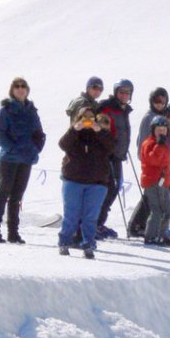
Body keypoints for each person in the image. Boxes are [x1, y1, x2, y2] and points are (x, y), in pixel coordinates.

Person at [0, 77, 45, 245]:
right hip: (9, 158)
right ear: (12, 90)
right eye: (17, 87)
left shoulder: (32, 110)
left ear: (27, 90)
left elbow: (39, 133)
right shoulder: (6, 110)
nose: (20, 89)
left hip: (26, 158)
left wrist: (36, 148)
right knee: (3, 192)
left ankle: (13, 232)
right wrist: (11, 148)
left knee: (17, 195)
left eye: (23, 87)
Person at [57, 109, 115, 259]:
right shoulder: (74, 134)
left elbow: (113, 146)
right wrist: (74, 130)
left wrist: (99, 131)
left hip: (97, 182)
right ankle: (64, 242)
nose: (87, 120)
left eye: (91, 117)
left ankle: (88, 244)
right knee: (71, 214)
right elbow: (63, 145)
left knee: (91, 216)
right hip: (73, 180)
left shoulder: (101, 134)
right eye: (84, 117)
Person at [96, 79, 134, 239]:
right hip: (107, 156)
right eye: (122, 92)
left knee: (113, 188)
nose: (124, 95)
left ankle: (98, 223)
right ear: (116, 92)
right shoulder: (108, 108)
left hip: (117, 156)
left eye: (127, 92)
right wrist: (109, 148)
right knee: (108, 189)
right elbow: (102, 130)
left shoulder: (122, 110)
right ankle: (95, 223)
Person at [139, 115, 170, 246]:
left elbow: (165, 165)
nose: (162, 132)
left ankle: (161, 234)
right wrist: (159, 145)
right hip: (152, 182)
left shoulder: (163, 144)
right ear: (153, 129)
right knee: (158, 210)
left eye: (164, 129)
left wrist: (169, 182)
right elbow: (152, 160)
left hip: (162, 182)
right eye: (159, 129)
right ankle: (151, 236)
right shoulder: (149, 143)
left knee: (169, 210)